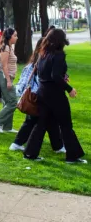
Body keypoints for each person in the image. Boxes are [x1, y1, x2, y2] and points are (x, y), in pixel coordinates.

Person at [23, 29, 86, 163]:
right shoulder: (58, 55)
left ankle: (30, 153)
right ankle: (72, 156)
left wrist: (62, 78)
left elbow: (46, 74)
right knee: (65, 124)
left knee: (41, 124)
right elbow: (55, 76)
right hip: (55, 95)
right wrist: (69, 89)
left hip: (42, 93)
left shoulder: (42, 54)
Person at [12, 33, 64, 154]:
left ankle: (58, 146)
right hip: (38, 97)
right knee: (35, 122)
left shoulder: (39, 62)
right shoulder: (36, 65)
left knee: (49, 121)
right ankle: (19, 144)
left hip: (41, 96)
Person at [0, 28, 19, 133]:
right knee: (13, 102)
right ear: (9, 37)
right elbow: (4, 65)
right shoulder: (6, 48)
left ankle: (7, 127)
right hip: (4, 77)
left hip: (9, 77)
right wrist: (8, 81)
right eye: (15, 35)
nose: (17, 37)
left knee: (8, 101)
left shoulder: (9, 47)